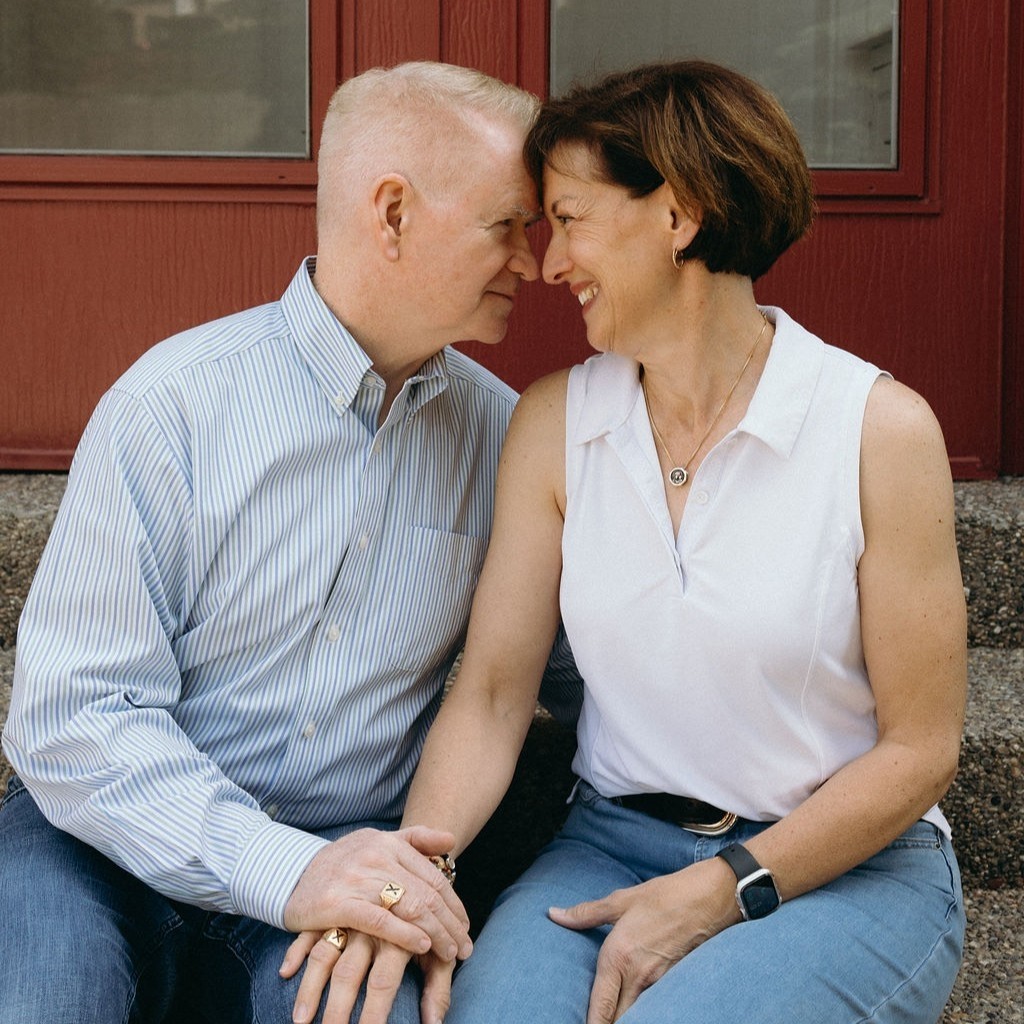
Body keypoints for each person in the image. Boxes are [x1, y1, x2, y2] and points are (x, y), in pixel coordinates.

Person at [302, 60, 968, 1023]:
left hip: (844, 865)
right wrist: (411, 875)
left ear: (679, 214)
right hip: (608, 846)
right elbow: (492, 693)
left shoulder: (876, 431)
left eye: (569, 219)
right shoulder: (555, 424)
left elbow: (919, 750)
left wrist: (721, 889)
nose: (551, 263)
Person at [0, 61, 562, 1024]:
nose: (532, 261)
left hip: (352, 865)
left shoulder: (507, 441)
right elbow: (72, 717)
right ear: (392, 214)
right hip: (101, 847)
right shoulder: (172, 406)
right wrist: (285, 868)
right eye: (505, 225)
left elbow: (591, 679)